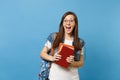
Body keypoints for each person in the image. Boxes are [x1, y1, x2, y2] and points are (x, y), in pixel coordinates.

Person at [40, 11, 85, 80]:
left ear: (75, 24)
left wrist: (72, 63)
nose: (68, 23)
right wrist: (52, 58)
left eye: (71, 21)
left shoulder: (79, 42)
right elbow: (42, 53)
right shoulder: (54, 37)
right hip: (54, 78)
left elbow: (81, 63)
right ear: (62, 23)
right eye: (65, 21)